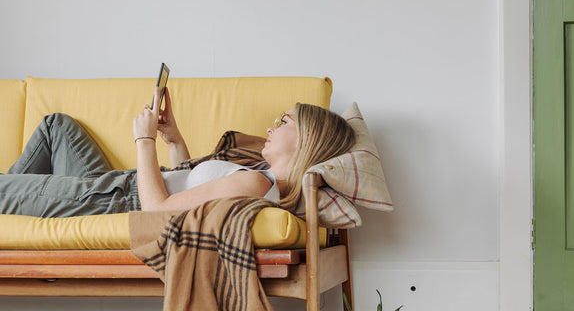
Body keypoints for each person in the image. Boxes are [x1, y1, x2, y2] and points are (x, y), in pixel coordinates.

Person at [0, 87, 355, 218]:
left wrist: (145, 141)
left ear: (307, 139)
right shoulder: (257, 171)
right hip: (117, 186)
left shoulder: (258, 187)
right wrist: (172, 139)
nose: (271, 127)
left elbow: (157, 210)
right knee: (56, 125)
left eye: (284, 122)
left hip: (116, 200)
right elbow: (187, 187)